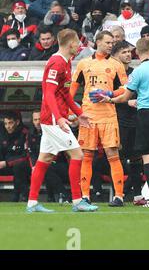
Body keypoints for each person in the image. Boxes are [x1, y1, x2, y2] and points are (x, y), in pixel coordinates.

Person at [25, 28, 97, 213]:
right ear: (70, 44)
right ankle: (77, 201)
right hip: (53, 120)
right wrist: (59, 118)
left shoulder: (67, 62)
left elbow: (65, 94)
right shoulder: (56, 63)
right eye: (77, 43)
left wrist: (79, 113)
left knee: (45, 158)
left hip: (54, 119)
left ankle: (32, 203)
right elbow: (48, 93)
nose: (80, 46)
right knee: (77, 155)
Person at [99, 38, 149, 207]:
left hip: (145, 114)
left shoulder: (138, 72)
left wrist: (110, 100)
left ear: (137, 53)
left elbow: (126, 97)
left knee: (147, 156)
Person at [71, 30, 128, 207]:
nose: (111, 45)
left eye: (112, 43)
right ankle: (85, 196)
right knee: (87, 155)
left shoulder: (117, 65)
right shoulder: (83, 64)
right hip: (88, 115)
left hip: (108, 115)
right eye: (108, 42)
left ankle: (119, 196)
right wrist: (70, 110)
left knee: (113, 154)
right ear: (98, 42)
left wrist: (109, 93)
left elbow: (126, 89)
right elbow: (72, 88)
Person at [110, 40, 146, 205]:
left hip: (136, 121)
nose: (128, 55)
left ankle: (137, 195)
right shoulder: (111, 74)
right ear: (115, 55)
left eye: (129, 52)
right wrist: (126, 102)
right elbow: (107, 96)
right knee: (117, 158)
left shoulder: (135, 72)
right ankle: (118, 195)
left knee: (136, 159)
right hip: (117, 121)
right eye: (124, 52)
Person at [27, 110, 69, 203]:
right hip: (43, 164)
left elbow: (57, 151)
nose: (37, 122)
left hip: (60, 164)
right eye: (35, 119)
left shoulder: (52, 130)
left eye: (39, 119)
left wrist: (42, 164)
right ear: (32, 121)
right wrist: (34, 165)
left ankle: (63, 195)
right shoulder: (30, 133)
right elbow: (31, 153)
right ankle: (51, 197)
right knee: (40, 168)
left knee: (45, 168)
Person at [0, 111, 31, 202]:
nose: (8, 126)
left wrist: (6, 163)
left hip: (21, 165)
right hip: (4, 165)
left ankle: (20, 197)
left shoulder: (26, 133)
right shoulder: (2, 133)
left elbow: (26, 156)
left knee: (19, 167)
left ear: (17, 122)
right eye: (5, 123)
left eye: (10, 123)